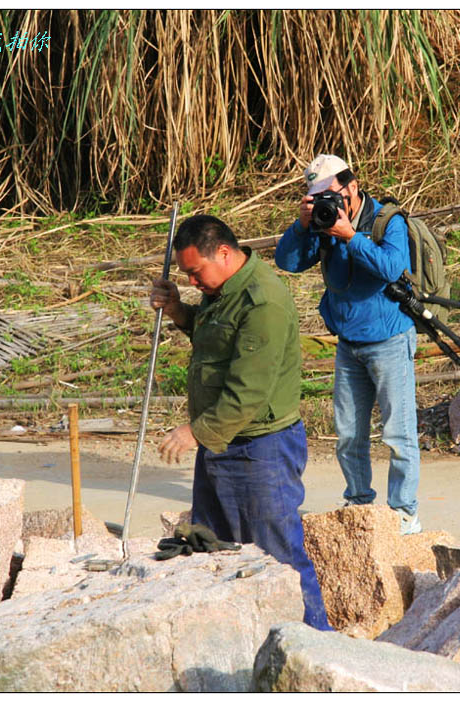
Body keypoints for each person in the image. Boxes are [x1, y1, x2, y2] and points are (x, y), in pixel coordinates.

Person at [150, 213, 332, 631]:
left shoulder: (261, 300)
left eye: (196, 273)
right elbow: (215, 340)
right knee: (212, 546)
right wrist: (179, 311)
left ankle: (315, 641)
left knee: (277, 553)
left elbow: (249, 389)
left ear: (225, 253)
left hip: (259, 449)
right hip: (222, 444)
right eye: (187, 275)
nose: (193, 282)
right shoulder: (225, 290)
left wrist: (194, 431)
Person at [274, 154, 422, 535]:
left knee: (399, 434)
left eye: (330, 194)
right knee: (349, 434)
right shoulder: (321, 224)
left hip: (390, 339)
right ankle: (358, 503)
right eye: (316, 196)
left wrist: (350, 238)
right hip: (348, 343)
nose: (327, 202)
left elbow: (391, 267)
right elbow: (288, 262)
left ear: (352, 187)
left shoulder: (389, 221)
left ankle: (404, 512)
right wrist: (303, 224)